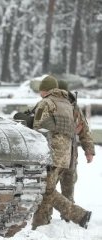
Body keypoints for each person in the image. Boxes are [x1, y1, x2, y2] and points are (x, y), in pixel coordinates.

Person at [31, 75, 91, 230]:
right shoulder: (68, 105)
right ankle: (40, 225)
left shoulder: (47, 103)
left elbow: (39, 128)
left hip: (51, 155)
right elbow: (81, 129)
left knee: (46, 189)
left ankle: (78, 215)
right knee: (48, 190)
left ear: (45, 90)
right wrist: (88, 150)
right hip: (66, 156)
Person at [55, 80, 95, 219]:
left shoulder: (74, 108)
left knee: (69, 187)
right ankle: (43, 218)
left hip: (71, 157)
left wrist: (89, 150)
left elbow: (84, 130)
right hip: (53, 158)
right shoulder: (48, 106)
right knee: (48, 190)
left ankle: (68, 217)